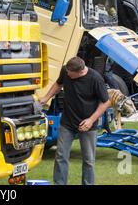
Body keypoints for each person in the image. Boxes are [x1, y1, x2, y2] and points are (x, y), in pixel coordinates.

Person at [39, 57, 110, 185]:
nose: (66, 74)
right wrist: (46, 98)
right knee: (61, 156)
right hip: (67, 122)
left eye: (69, 73)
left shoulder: (95, 79)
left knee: (88, 160)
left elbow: (106, 102)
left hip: (88, 125)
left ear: (80, 72)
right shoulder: (66, 70)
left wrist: (91, 120)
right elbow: (58, 84)